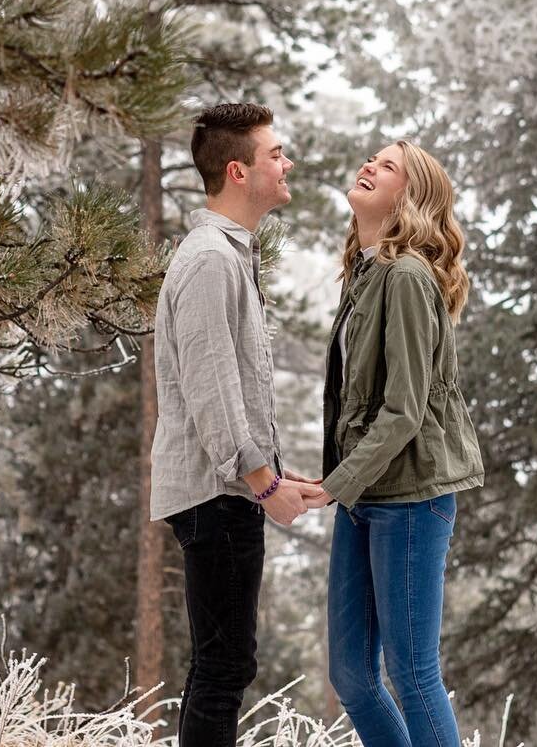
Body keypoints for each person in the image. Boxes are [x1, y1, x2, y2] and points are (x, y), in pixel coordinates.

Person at [149, 102, 331, 747]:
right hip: (216, 492)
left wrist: (275, 474)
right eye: (275, 154)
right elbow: (211, 388)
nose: (288, 163)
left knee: (223, 663)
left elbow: (233, 387)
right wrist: (261, 482)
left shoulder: (226, 255)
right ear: (237, 170)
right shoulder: (209, 260)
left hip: (229, 488)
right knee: (224, 666)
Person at [319, 140, 485, 747]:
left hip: (411, 496)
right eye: (371, 158)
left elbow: (405, 411)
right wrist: (342, 483)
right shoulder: (365, 274)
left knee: (411, 674)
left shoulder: (409, 276)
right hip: (367, 490)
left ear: (409, 198)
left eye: (387, 166)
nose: (368, 165)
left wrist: (332, 485)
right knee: (352, 676)